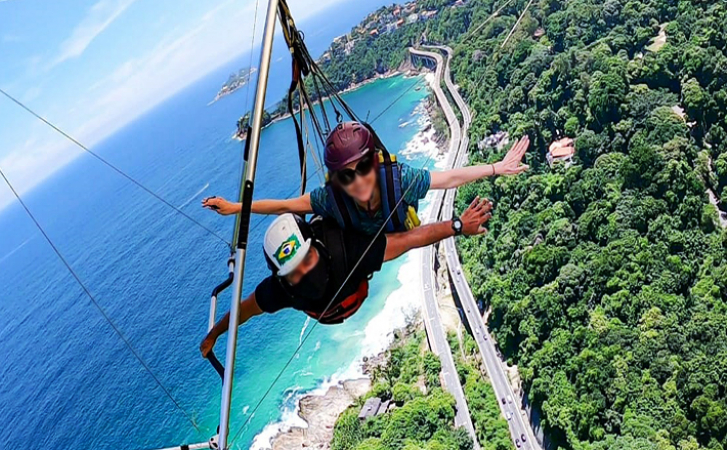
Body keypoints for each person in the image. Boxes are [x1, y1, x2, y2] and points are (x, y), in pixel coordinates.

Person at [200, 197, 493, 357]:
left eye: (307, 260)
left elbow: (412, 238)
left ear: (316, 245)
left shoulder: (349, 251)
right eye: (293, 273)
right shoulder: (282, 290)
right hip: (335, 309)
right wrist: (215, 333)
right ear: (281, 276)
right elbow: (244, 311)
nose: (304, 273)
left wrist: (458, 224)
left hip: (352, 289)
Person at [203, 121, 528, 235]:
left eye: (363, 170)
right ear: (337, 180)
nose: (357, 181)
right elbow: (283, 206)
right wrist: (236, 208)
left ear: (375, 163)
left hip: (398, 230)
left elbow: (450, 178)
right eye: (346, 177)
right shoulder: (330, 198)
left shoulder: (399, 180)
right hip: (364, 244)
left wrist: (497, 167)